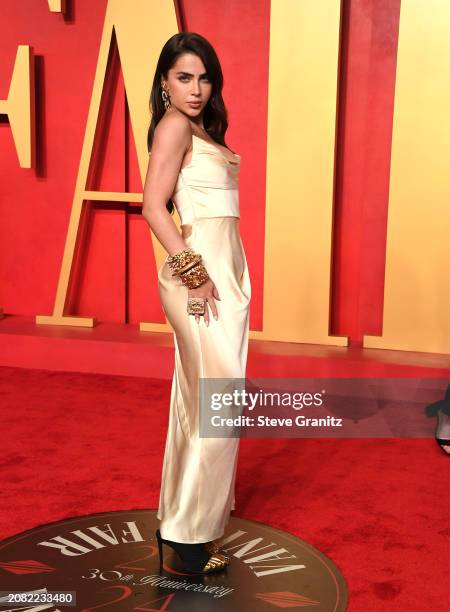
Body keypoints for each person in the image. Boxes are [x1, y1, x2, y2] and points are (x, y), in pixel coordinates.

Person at [142, 32, 251, 574]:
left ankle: (183, 524)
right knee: (218, 399)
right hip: (198, 274)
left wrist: (223, 275)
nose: (196, 88)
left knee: (204, 399)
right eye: (184, 77)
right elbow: (153, 207)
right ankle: (185, 538)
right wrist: (196, 274)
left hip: (224, 273)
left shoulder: (205, 128)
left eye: (204, 77)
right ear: (164, 81)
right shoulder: (173, 126)